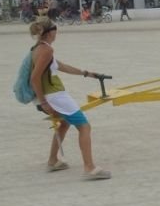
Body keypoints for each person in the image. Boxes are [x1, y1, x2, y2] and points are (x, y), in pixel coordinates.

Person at [29, 18, 111, 180]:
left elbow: (62, 66)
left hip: (52, 95)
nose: (57, 33)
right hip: (55, 96)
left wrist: (87, 73)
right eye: (55, 29)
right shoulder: (46, 51)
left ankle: (53, 161)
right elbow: (35, 78)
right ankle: (89, 168)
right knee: (84, 126)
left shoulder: (39, 48)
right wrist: (44, 102)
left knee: (65, 123)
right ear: (50, 32)